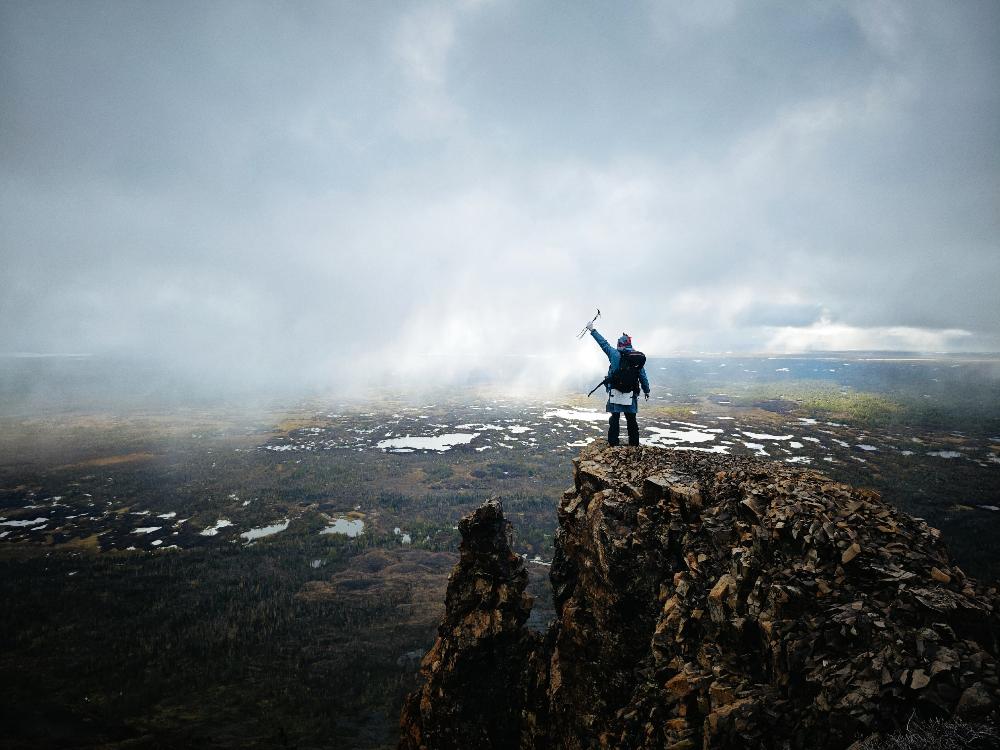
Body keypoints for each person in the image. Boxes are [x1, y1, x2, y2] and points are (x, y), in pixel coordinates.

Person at [586, 323, 650, 446]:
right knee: (631, 420)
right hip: (631, 395)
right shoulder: (636, 359)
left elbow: (603, 343)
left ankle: (613, 443)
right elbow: (643, 376)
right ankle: (634, 445)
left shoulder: (614, 354)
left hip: (615, 392)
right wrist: (647, 390)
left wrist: (592, 330)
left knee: (614, 419)